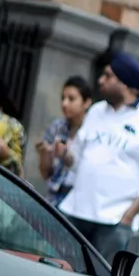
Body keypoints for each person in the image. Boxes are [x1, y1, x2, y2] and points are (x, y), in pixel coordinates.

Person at [56, 52, 139, 263]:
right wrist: (63, 154)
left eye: (108, 76)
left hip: (115, 220)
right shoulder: (96, 111)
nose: (100, 80)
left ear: (125, 83)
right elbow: (77, 160)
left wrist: (128, 216)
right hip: (76, 211)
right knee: (63, 269)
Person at [36, 75, 92, 205]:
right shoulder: (56, 127)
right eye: (63, 98)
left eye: (71, 99)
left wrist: (65, 154)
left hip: (80, 200)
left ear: (86, 103)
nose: (64, 104)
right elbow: (45, 174)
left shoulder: (93, 130)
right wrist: (44, 153)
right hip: (54, 197)